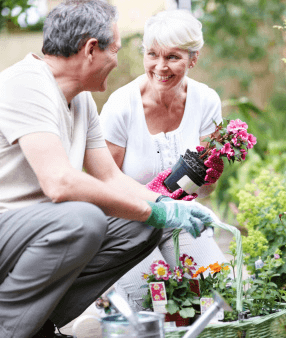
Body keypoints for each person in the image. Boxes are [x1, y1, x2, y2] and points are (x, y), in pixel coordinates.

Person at [0, 1, 217, 337]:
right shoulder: (25, 84)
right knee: (84, 219)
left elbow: (110, 177)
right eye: (114, 50)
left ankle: (40, 321)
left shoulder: (82, 99)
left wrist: (162, 206)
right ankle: (9, 328)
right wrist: (150, 211)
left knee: (140, 226)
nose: (117, 61)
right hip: (10, 226)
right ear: (90, 50)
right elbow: (60, 183)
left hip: (43, 233)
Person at [100, 9, 228, 312]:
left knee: (216, 294)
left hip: (181, 219)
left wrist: (213, 171)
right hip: (127, 223)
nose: (160, 66)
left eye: (173, 57)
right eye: (153, 54)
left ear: (193, 58)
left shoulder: (206, 100)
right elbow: (104, 182)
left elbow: (204, 188)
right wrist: (155, 208)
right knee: (153, 304)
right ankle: (111, 301)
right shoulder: (122, 105)